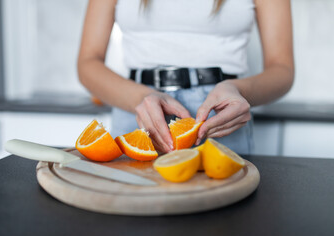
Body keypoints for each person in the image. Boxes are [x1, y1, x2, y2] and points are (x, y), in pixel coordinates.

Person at [77, 0, 294, 154]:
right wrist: (140, 97)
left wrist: (239, 90)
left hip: (220, 116)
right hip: (138, 111)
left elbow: (282, 69)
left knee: (224, 217)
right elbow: (87, 63)